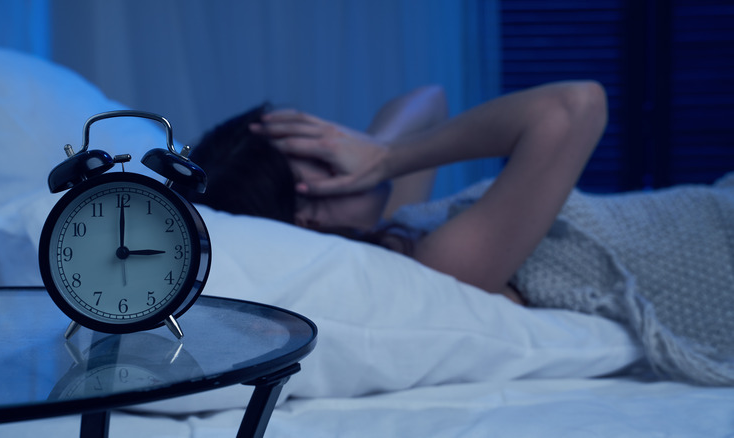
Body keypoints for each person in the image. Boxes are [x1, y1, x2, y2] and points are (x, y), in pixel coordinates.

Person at [183, 81, 734, 386]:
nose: (345, 149)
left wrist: (377, 152)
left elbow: (426, 100)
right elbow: (575, 106)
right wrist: (390, 157)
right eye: (323, 159)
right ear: (306, 218)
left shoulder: (390, 223)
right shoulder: (440, 263)